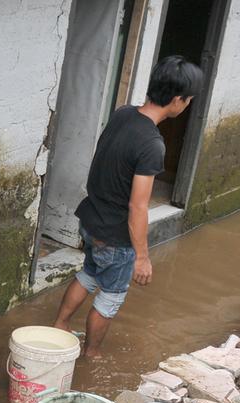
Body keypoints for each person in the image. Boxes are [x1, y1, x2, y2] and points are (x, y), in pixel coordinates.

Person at [54, 55, 204, 357]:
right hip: (116, 234)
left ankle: (60, 325)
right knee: (110, 297)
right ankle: (91, 355)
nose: (187, 105)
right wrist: (142, 257)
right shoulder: (152, 144)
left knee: (89, 274)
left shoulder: (123, 114)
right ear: (177, 100)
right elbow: (138, 206)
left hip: (91, 218)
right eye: (188, 100)